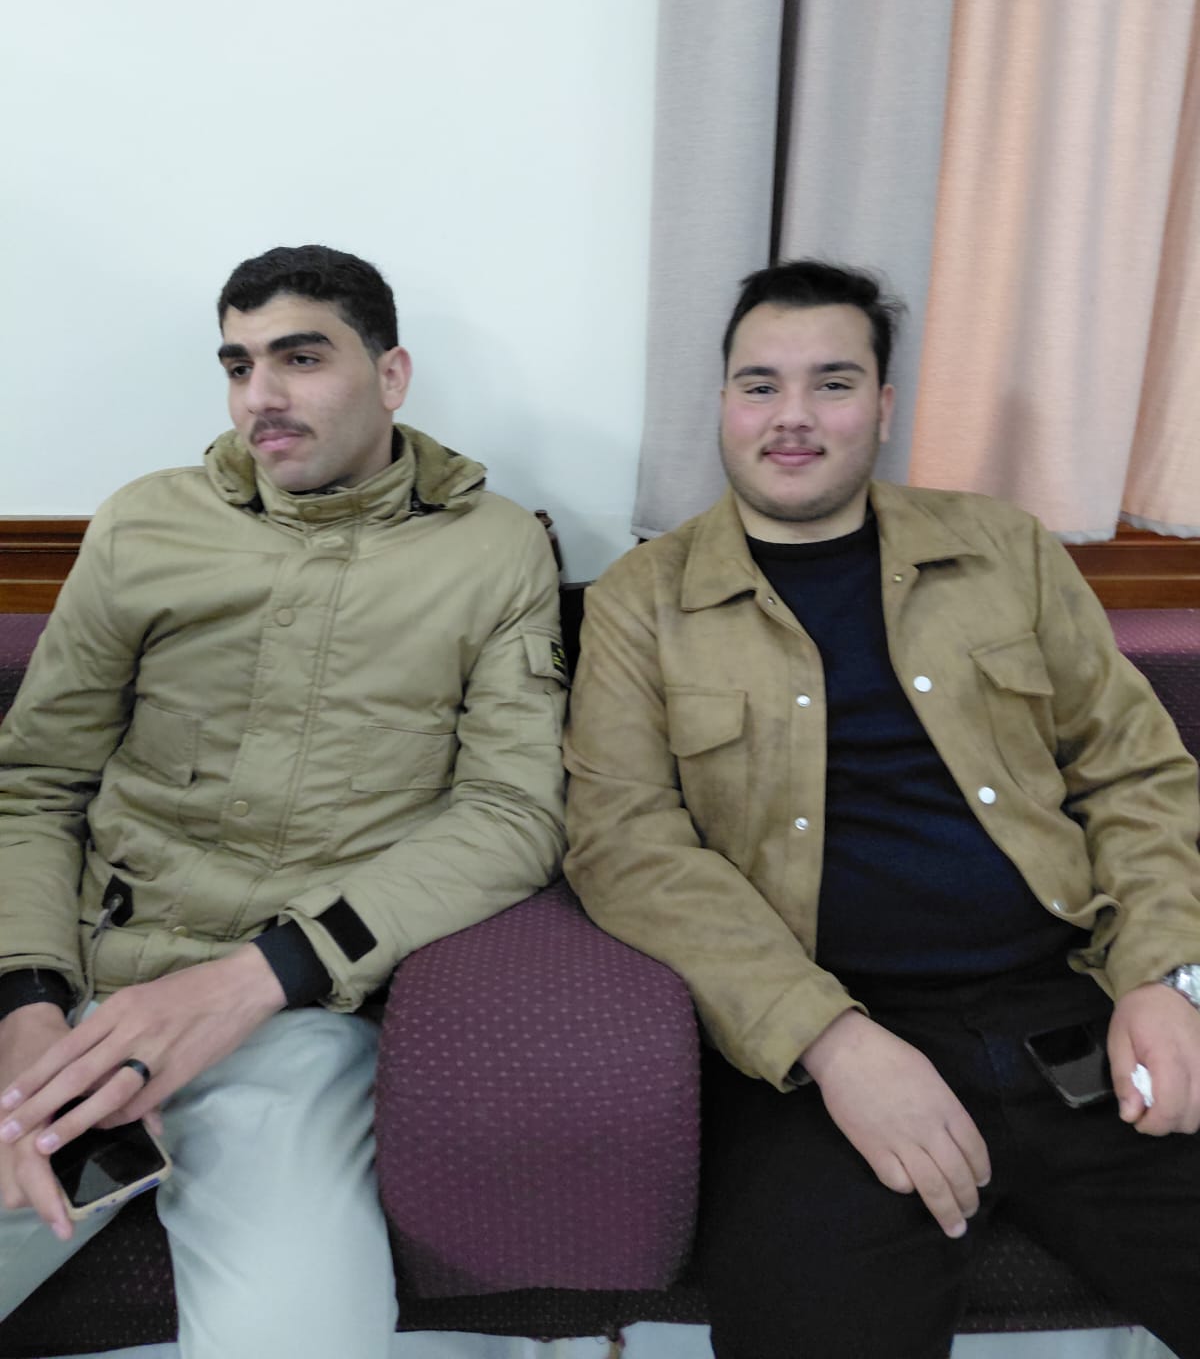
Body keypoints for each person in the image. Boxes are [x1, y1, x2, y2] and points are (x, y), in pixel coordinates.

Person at [564, 260, 1200, 1359]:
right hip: (823, 1042)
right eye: (760, 385)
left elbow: (1134, 770)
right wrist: (831, 1041)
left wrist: (1167, 975)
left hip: (1078, 999)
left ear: (885, 405)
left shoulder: (1004, 550)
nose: (793, 416)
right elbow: (624, 844)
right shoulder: (645, 602)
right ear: (723, 403)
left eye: (833, 382)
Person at [0, 244, 567, 1358]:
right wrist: (26, 1006)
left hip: (288, 1018)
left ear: (392, 375)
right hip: (73, 983)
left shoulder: (496, 551)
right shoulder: (146, 523)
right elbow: (36, 779)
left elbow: (513, 816)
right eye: (238, 363)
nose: (260, 394)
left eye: (301, 358)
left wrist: (263, 976)